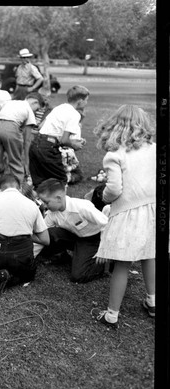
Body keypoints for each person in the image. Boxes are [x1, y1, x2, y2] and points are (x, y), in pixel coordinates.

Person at [90, 105, 156, 328]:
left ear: (115, 126)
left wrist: (105, 198)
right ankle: (153, 301)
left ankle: (111, 314)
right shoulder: (154, 148)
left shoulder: (114, 155)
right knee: (149, 255)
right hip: (153, 210)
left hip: (129, 214)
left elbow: (115, 189)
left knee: (122, 264)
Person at [0, 174, 49, 299]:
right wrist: (27, 233)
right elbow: (45, 239)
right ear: (19, 188)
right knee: (27, 274)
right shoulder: (32, 205)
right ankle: (6, 277)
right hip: (20, 254)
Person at [34, 178, 107, 283]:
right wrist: (30, 258)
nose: (44, 206)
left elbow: (106, 225)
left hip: (94, 239)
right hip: (75, 236)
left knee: (78, 276)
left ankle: (106, 265)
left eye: (46, 202)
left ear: (59, 198)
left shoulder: (82, 207)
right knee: (49, 233)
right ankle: (62, 256)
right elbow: (41, 235)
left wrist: (104, 250)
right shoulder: (51, 214)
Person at [29, 85, 90, 189]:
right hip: (48, 148)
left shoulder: (59, 108)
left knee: (39, 181)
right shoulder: (74, 114)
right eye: (86, 100)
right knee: (60, 180)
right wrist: (74, 145)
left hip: (36, 144)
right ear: (80, 101)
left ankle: (36, 203)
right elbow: (64, 140)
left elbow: (41, 126)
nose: (87, 103)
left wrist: (74, 141)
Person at [0, 92, 45, 187]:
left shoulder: (9, 102)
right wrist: (26, 163)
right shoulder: (29, 110)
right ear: (35, 102)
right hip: (11, 129)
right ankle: (18, 192)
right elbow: (27, 141)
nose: (36, 112)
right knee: (15, 164)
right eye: (37, 109)